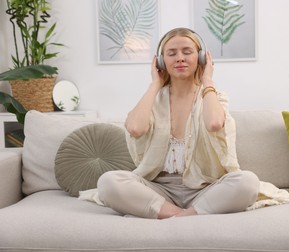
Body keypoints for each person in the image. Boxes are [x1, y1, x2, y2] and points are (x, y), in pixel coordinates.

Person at [97, 27, 259, 219]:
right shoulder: (154, 99)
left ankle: (176, 215)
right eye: (171, 53)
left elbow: (214, 123)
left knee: (247, 182)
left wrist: (207, 80)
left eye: (187, 52)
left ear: (200, 58)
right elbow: (135, 128)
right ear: (160, 61)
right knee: (108, 182)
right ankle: (185, 215)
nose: (180, 58)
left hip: (204, 188)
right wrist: (155, 84)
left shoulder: (213, 95)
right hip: (158, 189)